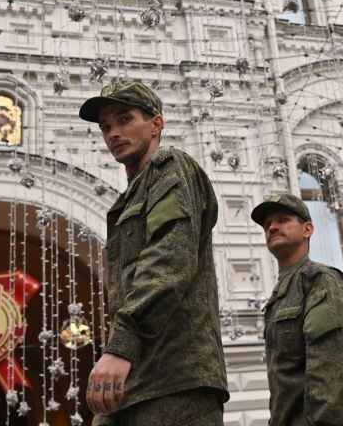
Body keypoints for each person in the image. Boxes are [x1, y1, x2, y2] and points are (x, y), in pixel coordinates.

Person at [80, 79, 228, 426]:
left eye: (125, 119)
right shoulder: (128, 198)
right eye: (105, 126)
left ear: (156, 123)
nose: (113, 133)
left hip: (176, 379)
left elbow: (168, 260)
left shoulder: (170, 166)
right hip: (135, 380)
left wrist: (120, 345)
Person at [252, 193, 343, 426]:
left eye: (283, 220)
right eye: (267, 224)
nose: (272, 227)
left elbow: (331, 364)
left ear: (307, 230)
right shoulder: (279, 295)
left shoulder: (320, 279)